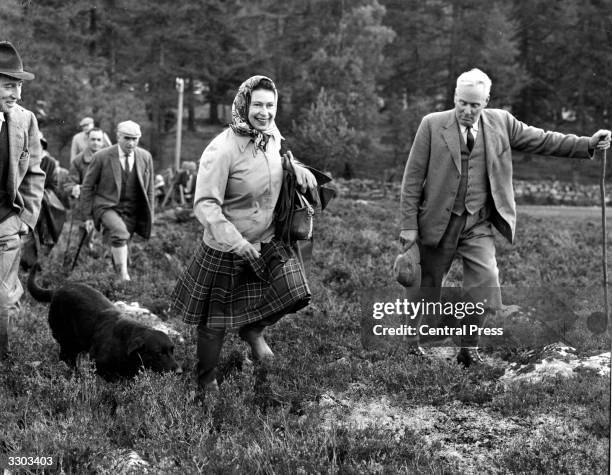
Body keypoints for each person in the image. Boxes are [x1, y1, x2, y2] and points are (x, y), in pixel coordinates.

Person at [399, 68, 611, 367]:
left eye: (475, 104)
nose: (467, 110)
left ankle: (468, 349)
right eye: (462, 103)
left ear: (486, 101)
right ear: (454, 98)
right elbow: (411, 179)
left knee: (485, 283)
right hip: (436, 223)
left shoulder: (502, 122)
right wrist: (408, 226)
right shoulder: (432, 125)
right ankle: (410, 344)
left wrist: (587, 143)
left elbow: (544, 140)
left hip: (478, 224)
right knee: (425, 286)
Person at [170, 75, 317, 395]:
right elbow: (206, 205)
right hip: (227, 247)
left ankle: (253, 330)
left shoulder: (273, 135)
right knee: (214, 325)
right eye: (258, 105)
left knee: (296, 293)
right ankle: (206, 381)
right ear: (243, 105)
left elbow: (278, 159)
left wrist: (297, 166)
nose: (264, 112)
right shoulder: (221, 149)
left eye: (270, 105)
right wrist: (237, 242)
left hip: (269, 239)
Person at [0, 41, 45, 360]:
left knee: (3, 296)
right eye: (7, 85)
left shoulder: (24, 120)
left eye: (17, 86)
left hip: (7, 222)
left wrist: (25, 219)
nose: (15, 94)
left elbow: (34, 173)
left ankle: (3, 365)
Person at [80, 120, 154, 281]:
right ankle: (124, 277)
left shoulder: (145, 157)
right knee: (120, 234)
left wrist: (150, 216)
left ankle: (118, 287)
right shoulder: (102, 157)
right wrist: (87, 216)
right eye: (127, 138)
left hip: (132, 209)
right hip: (107, 206)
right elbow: (87, 187)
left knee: (123, 243)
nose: (131, 143)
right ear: (118, 137)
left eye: (135, 139)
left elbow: (150, 190)